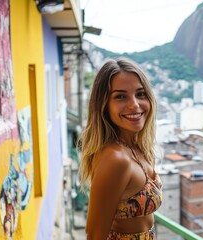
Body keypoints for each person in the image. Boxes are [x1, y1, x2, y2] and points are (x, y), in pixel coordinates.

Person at [79, 57, 163, 239]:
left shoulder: (136, 147)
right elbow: (95, 236)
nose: (134, 104)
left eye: (140, 94)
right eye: (120, 96)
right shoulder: (116, 160)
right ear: (103, 105)